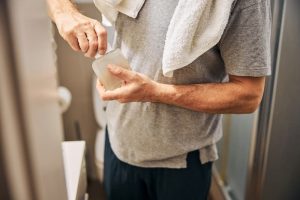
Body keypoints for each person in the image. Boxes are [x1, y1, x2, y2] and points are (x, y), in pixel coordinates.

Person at [47, 0, 271, 199]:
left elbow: (248, 95)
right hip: (118, 142)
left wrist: (155, 92)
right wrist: (65, 13)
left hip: (183, 161)